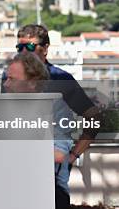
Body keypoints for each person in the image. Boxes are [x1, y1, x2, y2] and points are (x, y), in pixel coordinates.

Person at [11, 24, 100, 164]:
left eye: (29, 47)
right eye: (19, 48)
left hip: (54, 159)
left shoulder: (61, 79)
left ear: (45, 48)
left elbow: (94, 117)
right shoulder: (9, 78)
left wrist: (73, 155)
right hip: (19, 158)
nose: (23, 52)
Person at [4, 52, 75, 209]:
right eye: (6, 78)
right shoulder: (4, 109)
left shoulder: (56, 108)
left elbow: (58, 155)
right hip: (14, 183)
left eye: (12, 79)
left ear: (32, 83)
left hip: (50, 189)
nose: (6, 84)